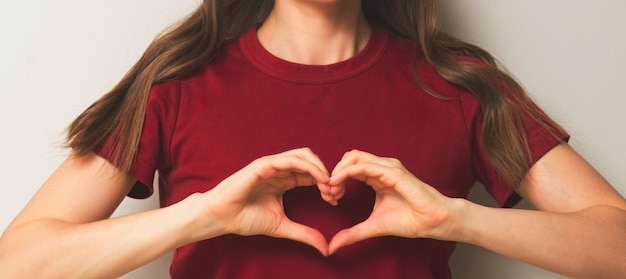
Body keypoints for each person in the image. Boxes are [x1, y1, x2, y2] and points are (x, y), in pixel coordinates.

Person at [1, 0, 625, 278]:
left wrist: (459, 220)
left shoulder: (460, 83)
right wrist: (200, 215)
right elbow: (19, 262)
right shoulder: (177, 82)